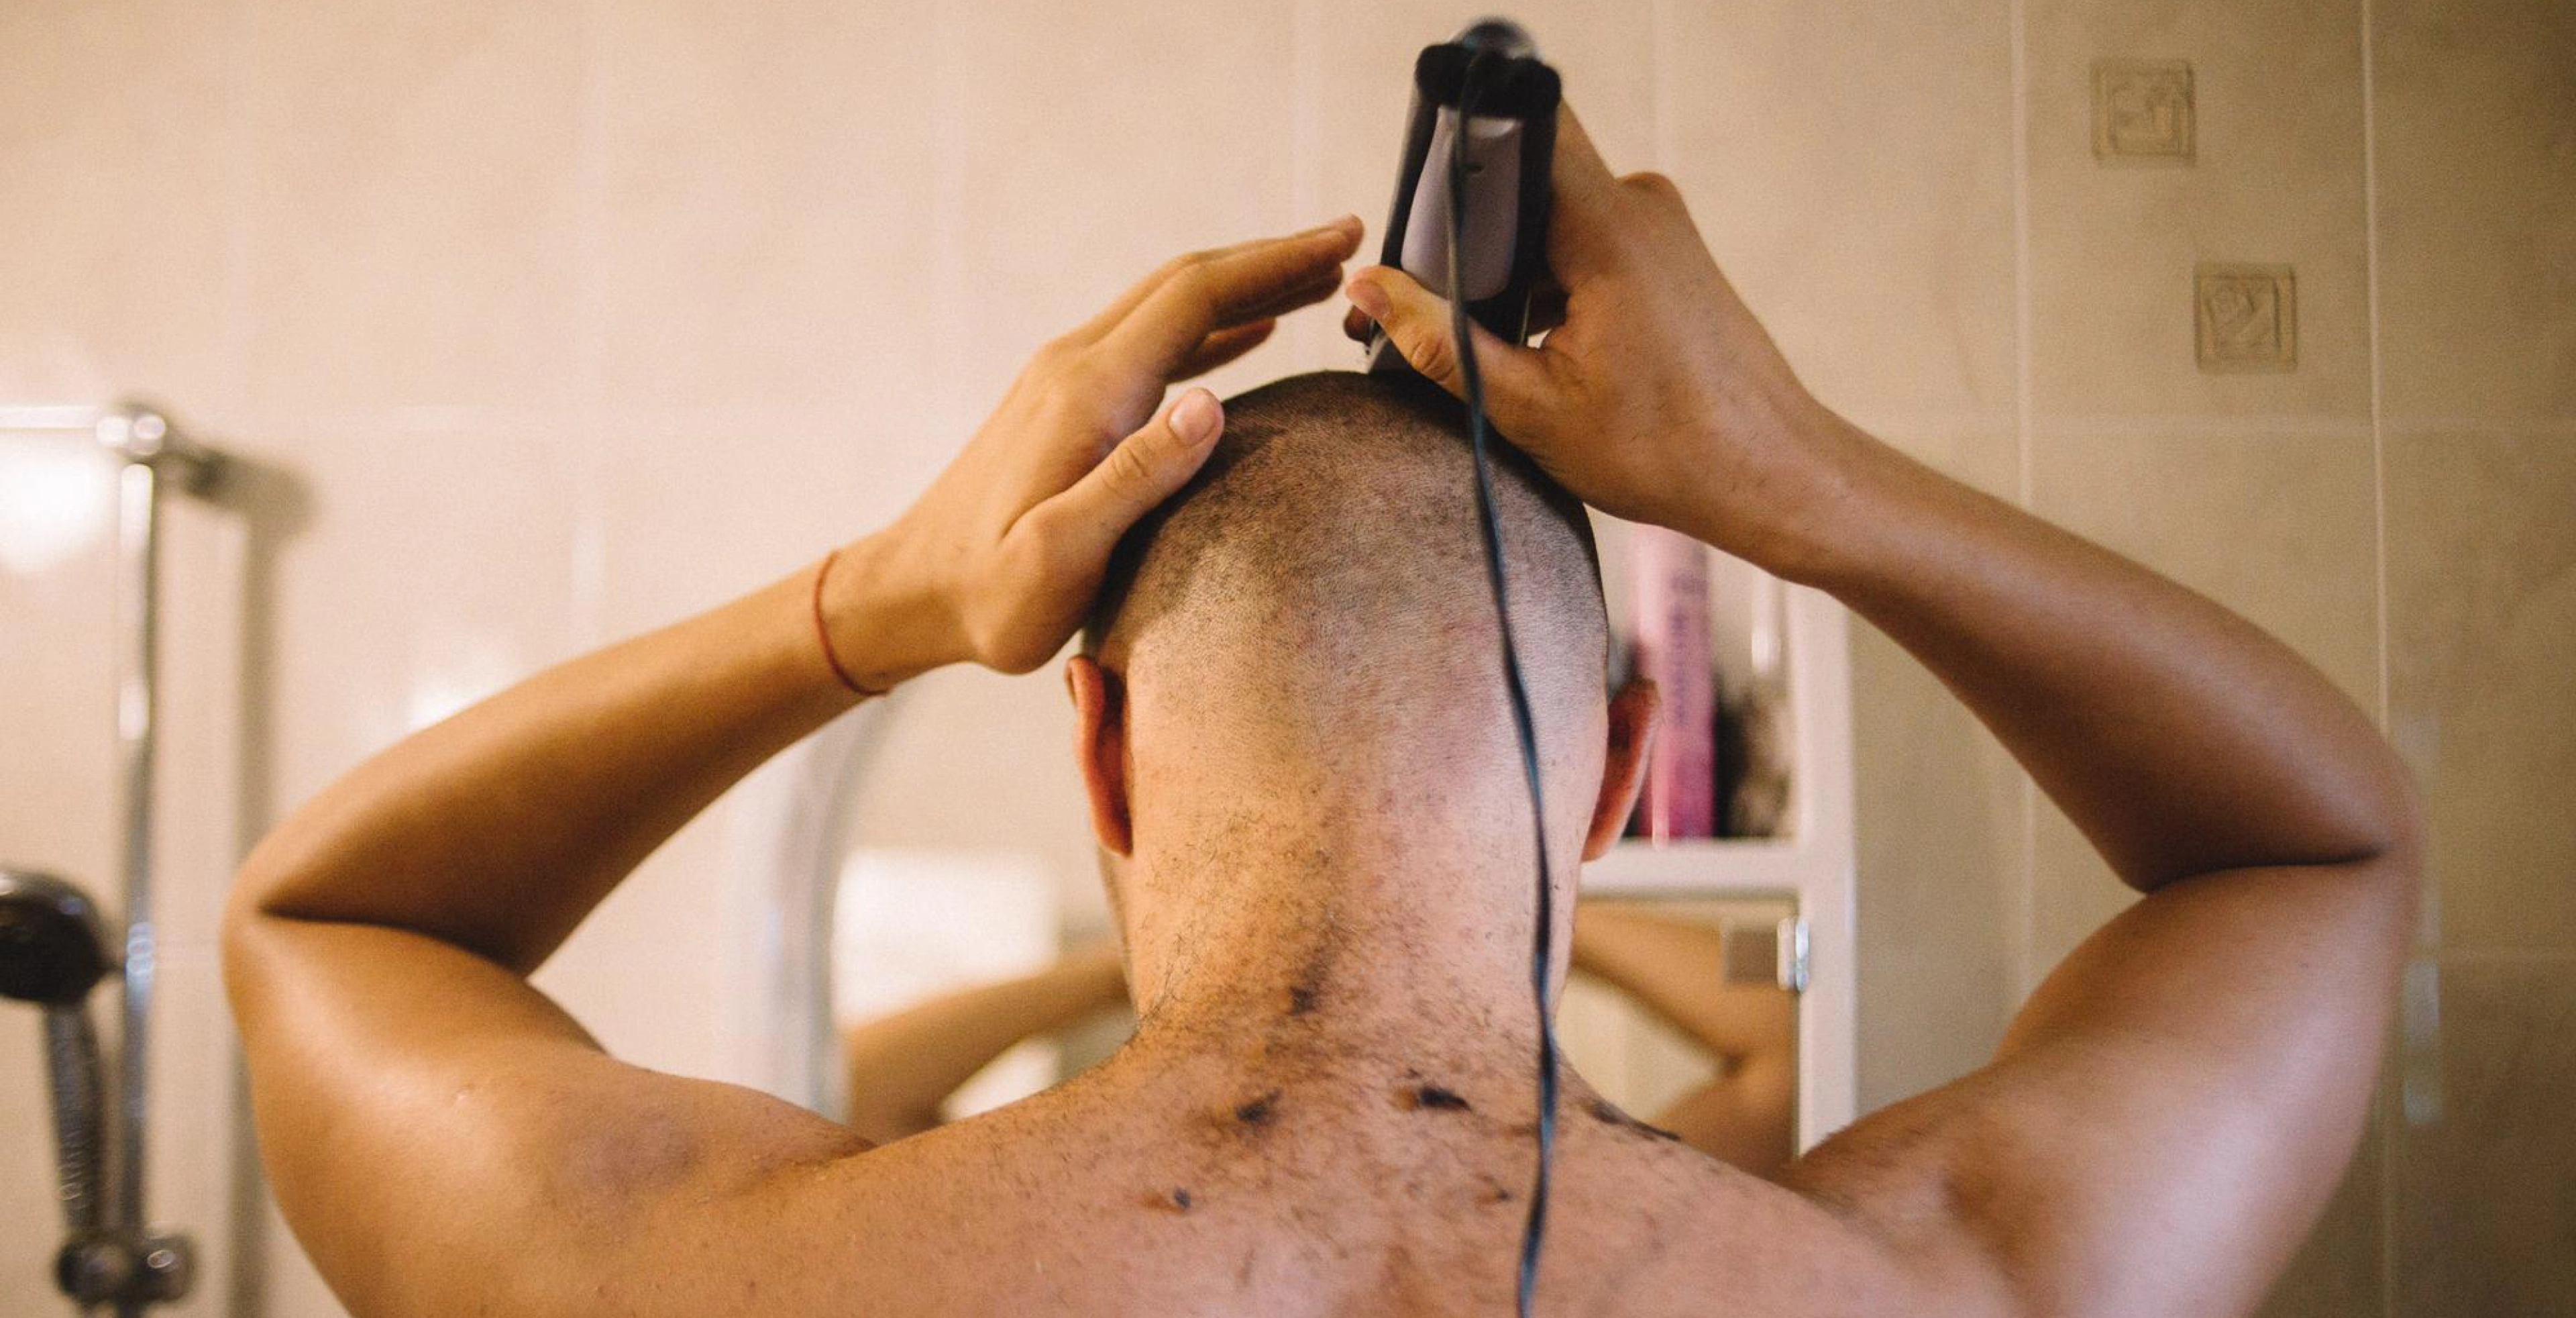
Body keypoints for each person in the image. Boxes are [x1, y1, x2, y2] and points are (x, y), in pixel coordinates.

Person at [224, 109, 2418, 1316]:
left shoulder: (707, 1276)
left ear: (1098, 746)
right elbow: (2314, 847)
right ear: (1620, 764)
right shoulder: (1952, 1282)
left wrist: (883, 598)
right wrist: (1799, 479)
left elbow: (324, 921)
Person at [837, 906, 1794, 1172]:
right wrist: (1134, 959)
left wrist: (1515, 912)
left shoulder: (1537, 1217)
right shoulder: (1121, 1231)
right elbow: (846, 1093)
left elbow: (1791, 1056)